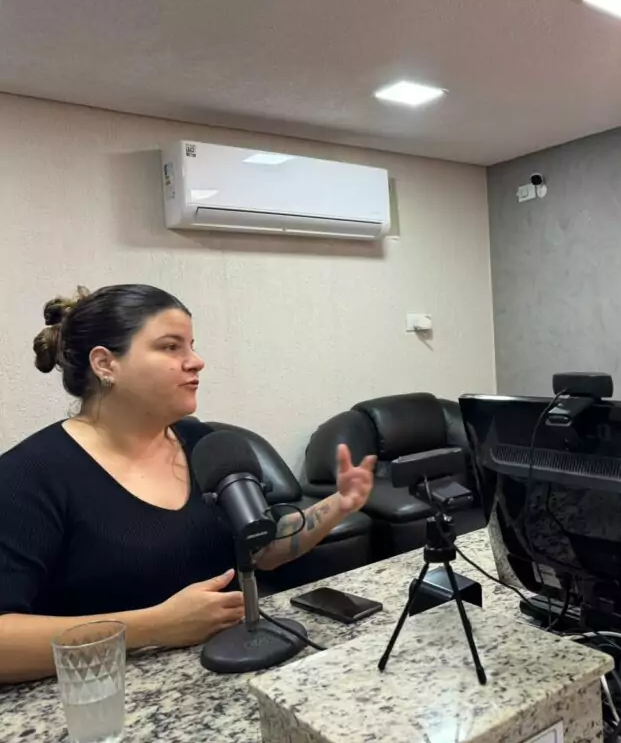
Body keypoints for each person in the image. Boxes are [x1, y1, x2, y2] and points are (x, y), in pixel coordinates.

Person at [0, 284, 376, 684]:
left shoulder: (200, 443)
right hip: (104, 696)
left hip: (233, 672)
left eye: (191, 346)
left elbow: (261, 548)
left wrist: (340, 503)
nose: (196, 362)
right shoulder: (29, 476)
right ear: (105, 364)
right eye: (170, 347)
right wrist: (154, 626)